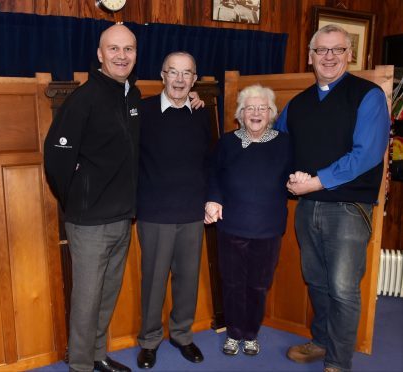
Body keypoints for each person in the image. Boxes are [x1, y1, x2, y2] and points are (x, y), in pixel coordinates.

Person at [275, 24, 390, 372]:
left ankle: (339, 361)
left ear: (349, 55)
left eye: (337, 50)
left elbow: (367, 153)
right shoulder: (298, 104)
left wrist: (316, 182)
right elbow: (276, 144)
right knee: (317, 281)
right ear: (310, 56)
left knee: (343, 288)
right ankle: (322, 341)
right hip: (307, 208)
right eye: (321, 50)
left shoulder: (367, 95)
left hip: (348, 209)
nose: (328, 57)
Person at [44, 24, 139, 372]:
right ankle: (81, 365)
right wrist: (78, 199)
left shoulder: (132, 95)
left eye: (128, 49)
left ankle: (98, 355)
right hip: (89, 222)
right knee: (86, 300)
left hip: (122, 217)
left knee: (106, 294)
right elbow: (56, 159)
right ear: (100, 55)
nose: (121, 55)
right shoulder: (83, 99)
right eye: (113, 49)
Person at [204, 84, 294, 357]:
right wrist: (213, 198)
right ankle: (233, 333)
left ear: (271, 113)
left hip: (267, 228)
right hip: (231, 226)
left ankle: (251, 333)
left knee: (258, 284)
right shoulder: (227, 142)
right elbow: (213, 175)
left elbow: (298, 175)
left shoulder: (286, 143)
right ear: (240, 114)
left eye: (262, 108)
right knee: (231, 282)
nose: (256, 113)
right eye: (250, 108)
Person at [135, 51, 209, 369]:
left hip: (192, 213)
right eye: (173, 72)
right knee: (153, 282)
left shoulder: (201, 113)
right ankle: (149, 341)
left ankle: (181, 335)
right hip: (154, 213)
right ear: (162, 75)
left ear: (195, 79)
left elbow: (211, 162)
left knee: (187, 280)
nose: (179, 79)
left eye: (186, 73)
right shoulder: (142, 111)